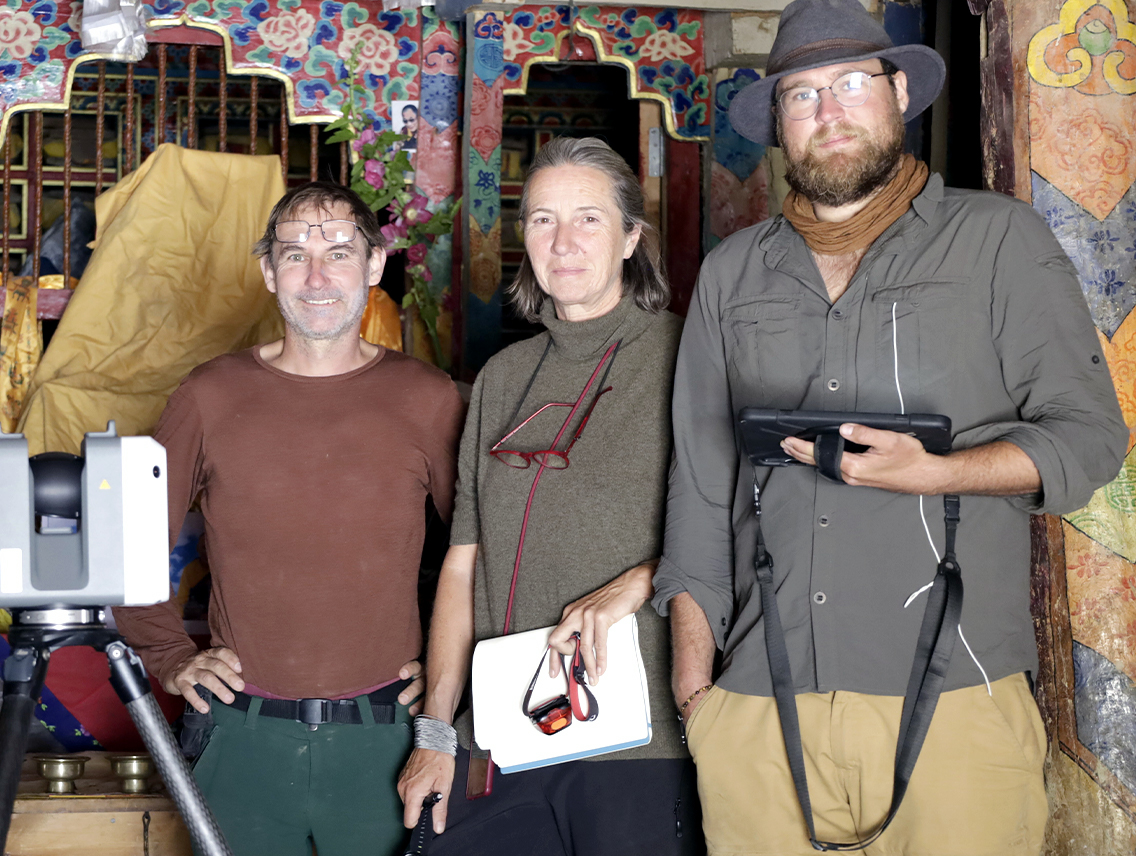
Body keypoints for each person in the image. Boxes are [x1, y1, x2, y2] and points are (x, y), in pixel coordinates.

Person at [654, 2, 1126, 854]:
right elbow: (698, 482)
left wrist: (941, 473)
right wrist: (698, 686)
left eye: (849, 85)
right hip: (760, 706)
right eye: (801, 96)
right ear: (779, 124)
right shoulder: (733, 274)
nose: (827, 113)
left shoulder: (995, 242)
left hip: (956, 701)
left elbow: (1091, 437)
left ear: (899, 91)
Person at [112, 181, 465, 855]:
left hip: (386, 734)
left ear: (374, 266)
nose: (317, 275)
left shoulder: (427, 399)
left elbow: (481, 555)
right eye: (295, 253)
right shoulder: (209, 395)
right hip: (242, 737)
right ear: (269, 272)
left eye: (338, 252)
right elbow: (126, 544)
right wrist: (170, 656)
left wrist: (458, 675)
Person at [396, 136, 696, 855]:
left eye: (589, 218)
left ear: (631, 237)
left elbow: (748, 530)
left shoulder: (690, 359)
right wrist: (437, 731)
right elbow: (463, 566)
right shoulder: (504, 376)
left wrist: (638, 581)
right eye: (540, 219)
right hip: (502, 735)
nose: (562, 241)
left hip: (639, 744)